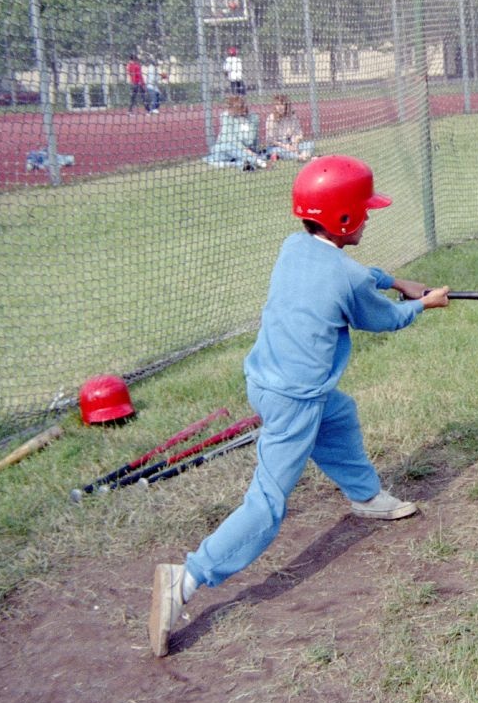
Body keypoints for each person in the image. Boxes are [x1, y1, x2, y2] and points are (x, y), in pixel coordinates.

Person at [149, 155, 450, 657]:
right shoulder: (347, 280)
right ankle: (185, 578)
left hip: (266, 380)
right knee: (267, 503)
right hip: (294, 398)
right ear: (344, 220)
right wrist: (423, 303)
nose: (369, 217)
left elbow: (354, 275)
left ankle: (365, 496)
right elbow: (385, 321)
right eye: (363, 211)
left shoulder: (294, 246)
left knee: (341, 414)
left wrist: (395, 280)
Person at [204, 96, 267, 170]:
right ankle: (256, 161)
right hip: (225, 149)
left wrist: (253, 150)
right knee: (227, 147)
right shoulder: (226, 117)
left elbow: (252, 138)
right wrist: (245, 150)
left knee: (238, 155)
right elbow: (230, 139)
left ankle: (243, 164)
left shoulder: (253, 118)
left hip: (245, 150)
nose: (228, 111)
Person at [262, 93, 315, 162]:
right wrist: (286, 146)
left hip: (291, 143)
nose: (280, 107)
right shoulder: (271, 118)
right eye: (277, 105)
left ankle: (302, 155)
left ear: (286, 106)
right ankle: (299, 156)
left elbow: (299, 134)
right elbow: (271, 140)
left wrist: (294, 144)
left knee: (310, 144)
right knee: (277, 151)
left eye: (282, 104)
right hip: (277, 146)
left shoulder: (292, 117)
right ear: (275, 106)